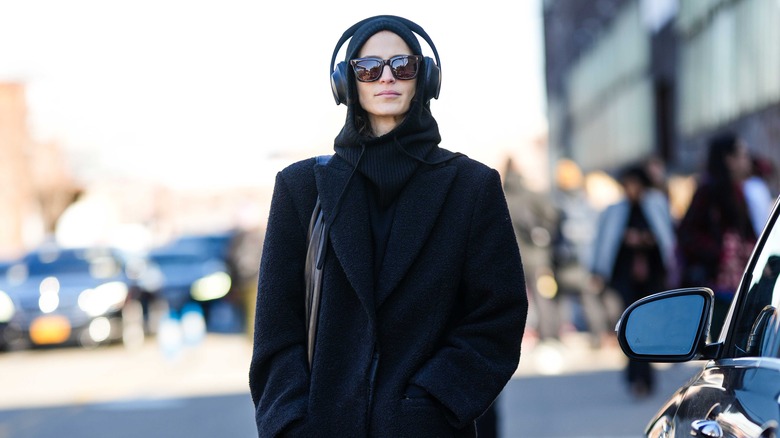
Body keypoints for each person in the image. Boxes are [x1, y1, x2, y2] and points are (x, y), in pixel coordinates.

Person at [249, 15, 528, 437]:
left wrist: (433, 402)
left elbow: (498, 316)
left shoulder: (472, 186)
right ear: (346, 82)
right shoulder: (301, 188)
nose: (386, 78)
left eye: (402, 65)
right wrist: (290, 424)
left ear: (425, 77)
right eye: (368, 68)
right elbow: (276, 327)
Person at [590, 164, 676, 398]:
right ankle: (634, 375)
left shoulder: (656, 204)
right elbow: (603, 241)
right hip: (625, 277)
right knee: (629, 326)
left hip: (652, 277)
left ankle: (644, 376)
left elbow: (667, 237)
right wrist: (598, 270)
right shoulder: (616, 210)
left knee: (647, 327)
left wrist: (648, 240)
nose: (631, 189)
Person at [677, 132, 758, 338]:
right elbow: (687, 235)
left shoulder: (738, 191)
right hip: (719, 287)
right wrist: (719, 252)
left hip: (742, 284)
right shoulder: (708, 191)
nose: (746, 160)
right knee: (725, 344)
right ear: (728, 159)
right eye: (742, 155)